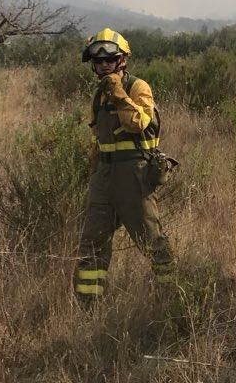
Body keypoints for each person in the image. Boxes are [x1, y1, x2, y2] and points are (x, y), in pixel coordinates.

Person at [74, 28, 175, 302]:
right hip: (104, 177)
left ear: (122, 60)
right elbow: (98, 135)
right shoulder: (99, 94)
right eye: (99, 61)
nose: (104, 65)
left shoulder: (136, 87)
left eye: (110, 59)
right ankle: (87, 306)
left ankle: (174, 301)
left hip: (133, 175)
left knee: (152, 241)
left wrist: (119, 93)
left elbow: (138, 123)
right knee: (92, 244)